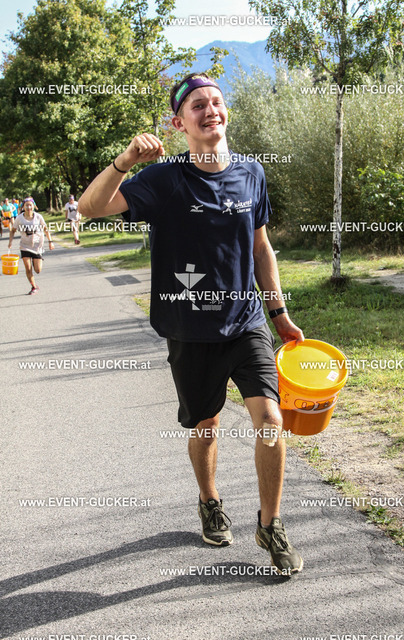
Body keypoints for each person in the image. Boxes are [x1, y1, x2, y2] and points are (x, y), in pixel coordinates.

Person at [79, 72, 305, 575]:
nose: (210, 110)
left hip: (246, 323)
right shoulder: (164, 180)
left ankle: (270, 524)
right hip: (190, 330)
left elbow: (260, 248)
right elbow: (90, 208)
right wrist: (125, 161)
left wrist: (279, 314)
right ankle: (209, 500)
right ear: (179, 123)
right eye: (197, 105)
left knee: (271, 422)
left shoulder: (251, 173)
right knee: (206, 424)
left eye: (216, 102)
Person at [9, 196, 54, 295]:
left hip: (37, 245)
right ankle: (34, 286)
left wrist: (50, 241)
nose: (29, 207)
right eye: (26, 205)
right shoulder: (19, 218)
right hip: (25, 245)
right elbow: (13, 230)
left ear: (33, 206)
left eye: (30, 205)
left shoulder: (38, 217)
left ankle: (36, 261)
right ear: (23, 207)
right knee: (27, 267)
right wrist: (10, 242)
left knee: (38, 270)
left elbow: (45, 229)